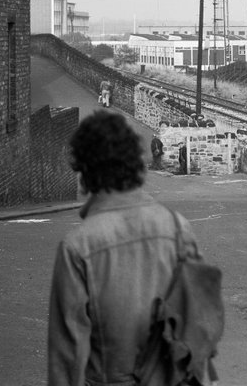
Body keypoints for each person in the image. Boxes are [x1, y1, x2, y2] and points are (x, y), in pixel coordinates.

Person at [48, 112, 201, 386]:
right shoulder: (179, 228)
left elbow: (68, 358)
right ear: (133, 162)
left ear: (85, 171)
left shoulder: (78, 247)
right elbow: (196, 330)